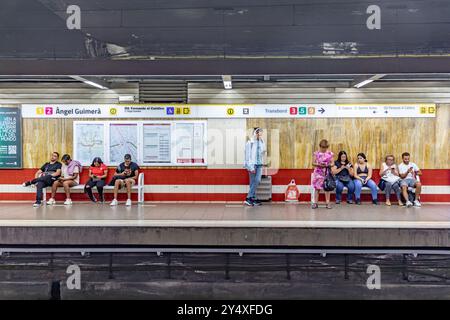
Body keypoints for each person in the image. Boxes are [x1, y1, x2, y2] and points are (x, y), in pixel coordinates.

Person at [244, 127, 266, 206]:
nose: (260, 134)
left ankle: (249, 197)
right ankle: (251, 198)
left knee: (257, 180)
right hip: (252, 165)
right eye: (259, 132)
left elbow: (263, 152)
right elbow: (247, 156)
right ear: (255, 133)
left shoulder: (262, 141)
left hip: (259, 164)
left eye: (261, 132)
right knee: (253, 182)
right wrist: (250, 167)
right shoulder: (250, 143)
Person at [311, 139, 334, 209]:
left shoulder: (330, 154)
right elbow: (313, 163)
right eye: (322, 147)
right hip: (318, 173)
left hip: (326, 173)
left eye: (325, 147)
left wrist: (328, 165)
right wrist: (319, 164)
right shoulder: (316, 153)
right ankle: (315, 203)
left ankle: (327, 203)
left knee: (327, 188)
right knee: (317, 188)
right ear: (320, 146)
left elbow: (333, 163)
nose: (324, 149)